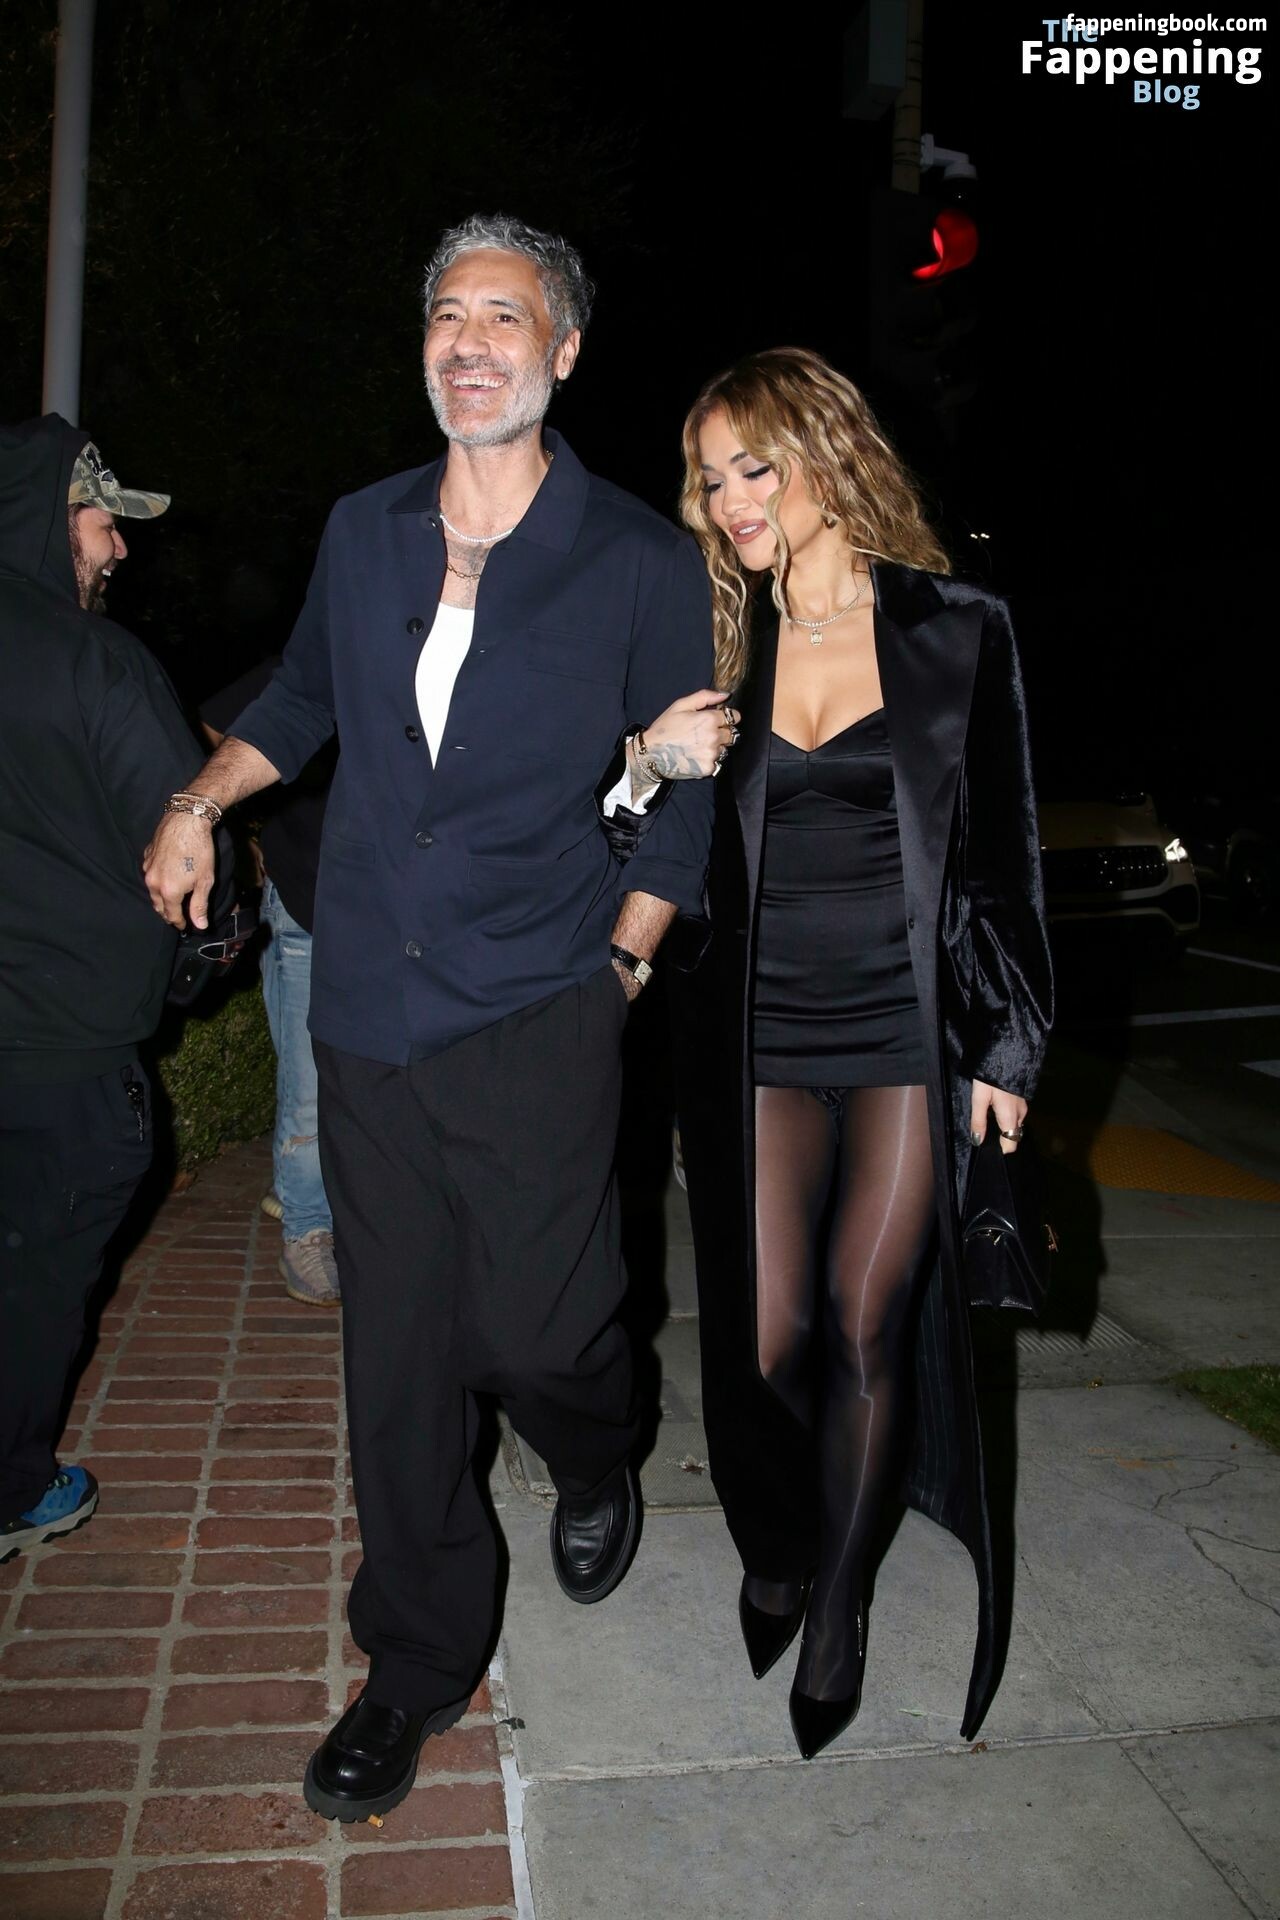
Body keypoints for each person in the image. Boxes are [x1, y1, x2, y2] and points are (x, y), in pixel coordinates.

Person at [141, 214, 723, 1823]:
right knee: (398, 1352)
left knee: (543, 1333)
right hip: (371, 1009)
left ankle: (596, 1444)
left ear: (565, 350)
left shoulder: (636, 560)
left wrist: (620, 970)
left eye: (504, 316)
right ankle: (413, 1660)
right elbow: (305, 700)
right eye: (446, 315)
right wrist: (199, 799)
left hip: (541, 1001)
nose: (469, 342)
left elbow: (680, 802)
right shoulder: (368, 528)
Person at [629, 348, 1053, 1757]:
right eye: (711, 478)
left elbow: (1001, 858)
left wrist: (1008, 1045)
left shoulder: (957, 630)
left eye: (755, 467)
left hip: (902, 1038)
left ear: (828, 453)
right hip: (754, 1037)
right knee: (769, 1337)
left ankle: (838, 1610)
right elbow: (632, 831)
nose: (731, 500)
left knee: (866, 1322)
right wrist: (640, 763)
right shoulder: (714, 644)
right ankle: (786, 1537)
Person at [0, 415, 221, 1561]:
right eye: (101, 522)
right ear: (48, 521)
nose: (118, 548)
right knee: (37, 1279)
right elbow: (183, 861)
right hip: (64, 1053)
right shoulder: (98, 664)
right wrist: (204, 957)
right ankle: (13, 1485)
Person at [202, 661, 340, 1306]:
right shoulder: (321, 650)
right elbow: (215, 723)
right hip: (306, 895)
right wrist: (251, 813)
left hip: (391, 910)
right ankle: (308, 1230)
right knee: (308, 1080)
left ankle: (295, 1190)